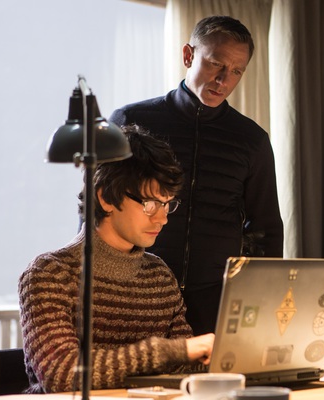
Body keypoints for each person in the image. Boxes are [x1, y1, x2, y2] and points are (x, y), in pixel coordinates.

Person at [109, 15, 284, 335]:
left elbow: (265, 229)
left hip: (217, 300)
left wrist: (264, 300)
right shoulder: (131, 120)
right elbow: (99, 210)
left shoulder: (252, 140)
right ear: (188, 55)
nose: (223, 80)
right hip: (138, 293)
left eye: (236, 71)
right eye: (215, 64)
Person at [18, 125, 214, 393]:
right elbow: (62, 374)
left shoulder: (158, 276)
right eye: (150, 204)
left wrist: (228, 354)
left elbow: (184, 367)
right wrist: (169, 351)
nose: (162, 218)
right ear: (105, 198)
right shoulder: (50, 274)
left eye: (167, 203)